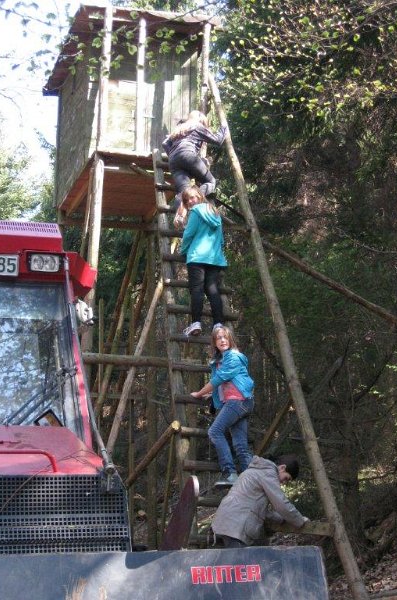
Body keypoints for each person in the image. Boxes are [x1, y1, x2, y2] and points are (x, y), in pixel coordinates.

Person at [190, 325, 254, 486]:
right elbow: (229, 383)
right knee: (240, 445)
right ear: (214, 342)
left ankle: (230, 473)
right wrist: (212, 394)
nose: (223, 340)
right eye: (219, 338)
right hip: (241, 401)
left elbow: (219, 379)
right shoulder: (222, 359)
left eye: (225, 337)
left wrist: (198, 393)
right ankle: (249, 482)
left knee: (215, 431)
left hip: (238, 402)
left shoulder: (232, 357)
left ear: (230, 339)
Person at [211, 454, 310, 548]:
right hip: (235, 527)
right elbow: (281, 504)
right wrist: (300, 520)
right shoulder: (269, 473)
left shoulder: (255, 471)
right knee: (240, 563)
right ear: (282, 468)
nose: (284, 482)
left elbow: (258, 509)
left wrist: (281, 519)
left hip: (224, 523)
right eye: (286, 478)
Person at [180, 188, 227, 336]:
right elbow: (221, 238)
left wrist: (183, 250)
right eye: (187, 201)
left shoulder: (195, 212)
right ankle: (218, 324)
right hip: (214, 258)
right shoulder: (215, 213)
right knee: (212, 289)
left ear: (200, 197)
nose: (190, 202)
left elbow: (189, 233)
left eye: (192, 198)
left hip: (197, 256)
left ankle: (196, 323)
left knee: (197, 289)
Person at [162, 110, 227, 210]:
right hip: (187, 154)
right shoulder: (197, 126)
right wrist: (224, 127)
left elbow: (165, 143)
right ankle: (194, 198)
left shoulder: (180, 128)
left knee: (183, 192)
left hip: (173, 161)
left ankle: (178, 216)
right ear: (199, 118)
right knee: (211, 181)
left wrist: (172, 154)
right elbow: (218, 140)